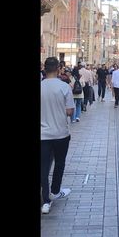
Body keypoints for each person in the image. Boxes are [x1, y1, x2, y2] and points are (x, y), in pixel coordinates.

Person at [40, 56, 74, 215]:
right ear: (58, 69)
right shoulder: (64, 87)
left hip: (43, 135)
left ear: (45, 69)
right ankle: (55, 191)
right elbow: (69, 111)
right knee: (59, 163)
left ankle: (45, 201)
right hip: (61, 133)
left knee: (43, 167)